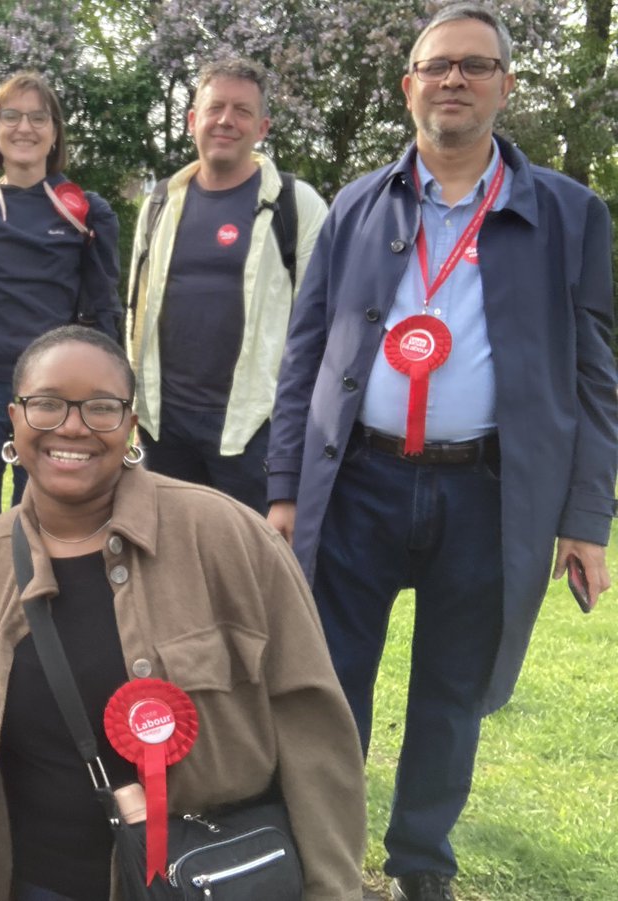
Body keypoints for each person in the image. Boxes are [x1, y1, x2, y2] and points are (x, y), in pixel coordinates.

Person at [266, 4, 617, 900]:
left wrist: (585, 516)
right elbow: (306, 354)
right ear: (408, 85)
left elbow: (594, 375)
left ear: (504, 85)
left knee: (451, 692)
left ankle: (422, 859)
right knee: (329, 679)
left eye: (475, 65)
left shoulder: (571, 215)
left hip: (489, 493)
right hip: (359, 483)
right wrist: (284, 488)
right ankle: (322, 844)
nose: (454, 79)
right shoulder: (356, 204)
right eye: (437, 65)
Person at [0, 325, 366, 901]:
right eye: (47, 405)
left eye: (101, 408)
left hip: (211, 883)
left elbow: (315, 733)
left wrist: (333, 889)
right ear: (14, 419)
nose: (74, 426)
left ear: (131, 424)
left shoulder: (235, 543)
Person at [0, 73, 123, 540]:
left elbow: (104, 310)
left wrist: (109, 400)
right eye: (10, 116)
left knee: (39, 522)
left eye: (38, 117)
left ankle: (33, 609)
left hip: (51, 395)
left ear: (54, 133)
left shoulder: (87, 212)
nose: (24, 128)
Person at [126, 56, 327, 513]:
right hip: (164, 425)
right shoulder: (158, 203)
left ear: (263, 128)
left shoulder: (297, 205)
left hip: (256, 428)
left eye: (242, 111)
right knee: (171, 561)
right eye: (216, 108)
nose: (226, 121)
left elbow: (321, 325)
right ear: (193, 120)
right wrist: (133, 403)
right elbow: (135, 311)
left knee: (249, 568)